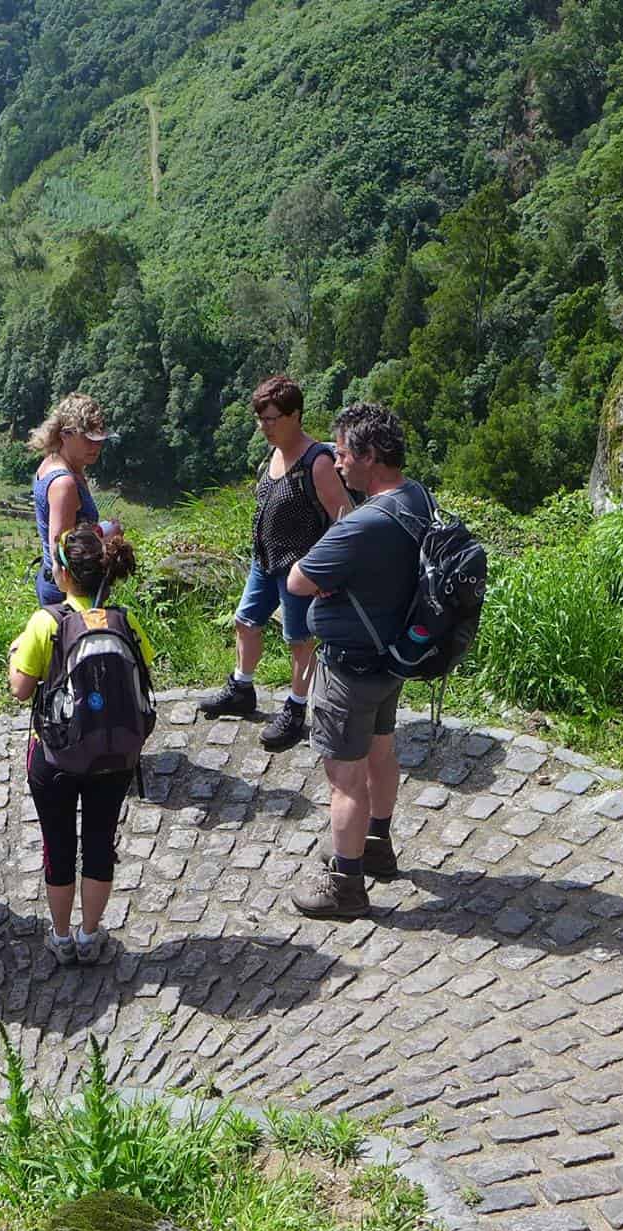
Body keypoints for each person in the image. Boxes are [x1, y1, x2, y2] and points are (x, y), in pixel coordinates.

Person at [284, 401, 424, 919]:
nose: (337, 464)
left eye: (343, 454)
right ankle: (377, 845)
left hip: (350, 667)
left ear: (370, 456)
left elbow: (300, 580)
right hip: (393, 659)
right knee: (382, 752)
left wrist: (335, 543)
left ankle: (345, 884)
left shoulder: (363, 524)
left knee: (344, 778)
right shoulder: (417, 497)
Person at [8, 523, 154, 965]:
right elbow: (144, 668)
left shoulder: (46, 622)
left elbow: (20, 688)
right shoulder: (124, 619)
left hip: (55, 754)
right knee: (98, 840)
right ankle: (91, 937)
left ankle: (61, 936)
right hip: (114, 752)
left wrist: (16, 653)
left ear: (65, 575)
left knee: (57, 843)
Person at [198, 375, 354, 750]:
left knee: (299, 640)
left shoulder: (316, 462)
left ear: (294, 415)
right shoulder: (276, 453)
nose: (263, 426)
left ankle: (296, 710)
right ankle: (241, 687)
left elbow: (345, 519)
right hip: (265, 560)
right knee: (245, 622)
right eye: (261, 419)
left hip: (301, 568)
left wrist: (327, 568)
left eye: (271, 419)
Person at [27, 392, 114, 605]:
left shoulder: (55, 462)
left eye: (99, 439)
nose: (96, 447)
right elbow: (61, 549)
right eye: (87, 439)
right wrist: (105, 532)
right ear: (65, 435)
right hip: (68, 591)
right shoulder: (63, 483)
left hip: (64, 584)